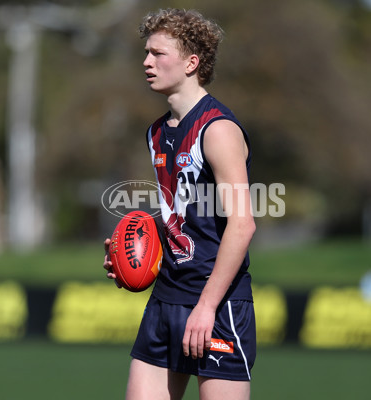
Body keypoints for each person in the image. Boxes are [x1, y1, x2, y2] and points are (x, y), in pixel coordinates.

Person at [103, 8, 256, 400]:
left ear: (192, 63)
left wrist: (206, 307)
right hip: (166, 299)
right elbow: (182, 211)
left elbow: (243, 225)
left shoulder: (218, 130)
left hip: (216, 306)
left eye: (158, 53)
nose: (146, 62)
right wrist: (133, 246)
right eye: (146, 52)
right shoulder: (157, 133)